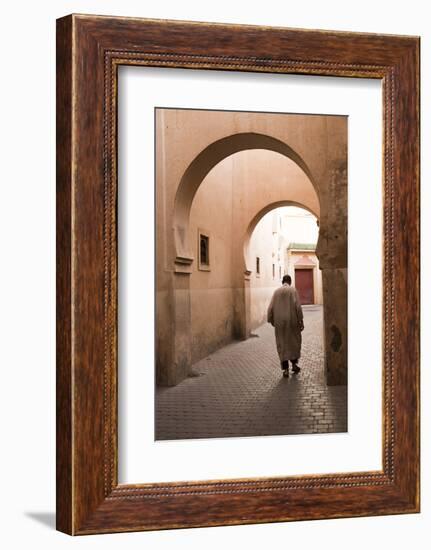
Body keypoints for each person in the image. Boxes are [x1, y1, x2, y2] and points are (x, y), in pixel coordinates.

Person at [267, 274, 304, 378]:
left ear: (282, 281)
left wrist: (271, 320)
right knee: (293, 343)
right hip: (292, 322)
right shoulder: (293, 290)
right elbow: (298, 307)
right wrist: (301, 321)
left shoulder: (276, 292)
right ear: (290, 281)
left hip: (279, 323)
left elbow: (270, 309)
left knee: (282, 345)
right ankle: (294, 365)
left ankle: (285, 370)